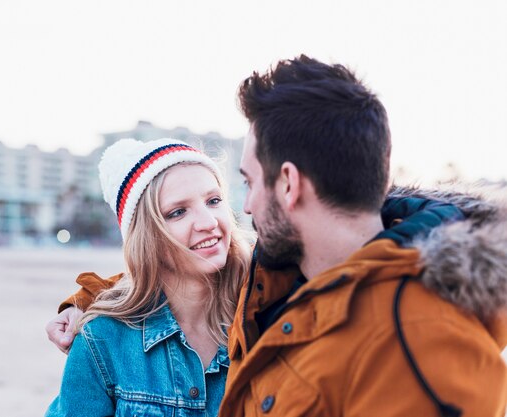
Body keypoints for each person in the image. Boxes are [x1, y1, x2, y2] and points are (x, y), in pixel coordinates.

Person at [48, 55, 507, 416]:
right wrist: (88, 302)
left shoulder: (415, 343)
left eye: (235, 189)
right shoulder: (276, 286)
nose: (239, 209)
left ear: (288, 183)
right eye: (177, 211)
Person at [44, 138, 251, 416]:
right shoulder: (101, 341)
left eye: (213, 201)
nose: (208, 222)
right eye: (177, 212)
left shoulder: (264, 313)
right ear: (145, 237)